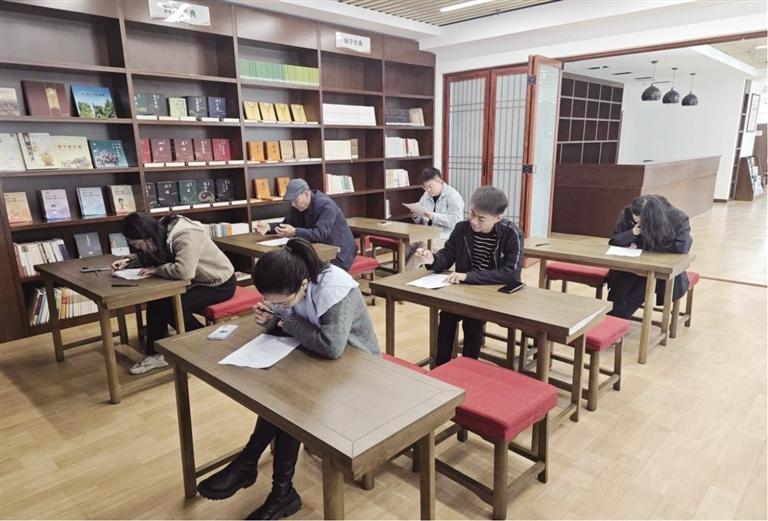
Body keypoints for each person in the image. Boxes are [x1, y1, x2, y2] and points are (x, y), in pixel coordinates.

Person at [197, 238, 379, 520]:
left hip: (358, 366)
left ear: (303, 284)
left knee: (292, 402)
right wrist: (271, 319)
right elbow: (293, 323)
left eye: (281, 301)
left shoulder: (335, 288)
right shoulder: (294, 279)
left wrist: (285, 320)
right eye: (271, 301)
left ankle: (253, 467)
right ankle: (272, 484)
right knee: (282, 397)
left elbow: (331, 346)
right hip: (321, 361)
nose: (276, 305)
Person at [111, 213, 236, 374]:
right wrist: (130, 261)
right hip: (197, 281)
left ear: (147, 236)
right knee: (156, 300)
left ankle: (206, 342)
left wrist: (156, 270)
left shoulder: (186, 235)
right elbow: (158, 254)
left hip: (218, 283)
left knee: (171, 307)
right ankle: (154, 353)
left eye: (136, 243)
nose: (137, 248)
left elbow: (184, 272)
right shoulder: (160, 232)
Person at [414, 186, 523, 367]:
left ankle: (468, 369)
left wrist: (468, 277)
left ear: (498, 218)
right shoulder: (462, 228)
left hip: (494, 295)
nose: (473, 221)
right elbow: (447, 256)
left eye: (481, 219)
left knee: (473, 321)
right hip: (464, 291)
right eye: (472, 214)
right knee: (447, 316)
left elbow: (511, 274)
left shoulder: (511, 233)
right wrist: (432, 259)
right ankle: (442, 367)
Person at [606, 195, 693, 319]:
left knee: (643, 285)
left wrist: (643, 247)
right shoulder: (628, 213)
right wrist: (631, 233)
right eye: (635, 221)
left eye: (642, 222)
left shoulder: (678, 218)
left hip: (659, 269)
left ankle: (613, 320)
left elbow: (681, 247)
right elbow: (615, 241)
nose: (638, 224)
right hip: (631, 265)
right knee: (620, 286)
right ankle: (612, 319)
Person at [254, 179, 356, 271]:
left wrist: (294, 232)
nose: (293, 204)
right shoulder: (298, 206)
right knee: (289, 266)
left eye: (295, 200)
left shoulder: (326, 205)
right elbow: (286, 225)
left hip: (339, 253)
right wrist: (269, 227)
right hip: (316, 249)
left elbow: (320, 234)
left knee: (298, 268)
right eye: (291, 201)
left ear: (307, 194)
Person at [404, 167, 465, 269]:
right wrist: (416, 216)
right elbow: (422, 221)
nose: (428, 190)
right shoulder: (426, 195)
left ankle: (407, 274)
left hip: (446, 236)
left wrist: (434, 216)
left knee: (422, 247)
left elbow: (456, 221)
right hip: (427, 233)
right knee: (406, 243)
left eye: (430, 187)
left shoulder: (453, 196)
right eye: (425, 187)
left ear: (440, 181)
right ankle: (402, 271)